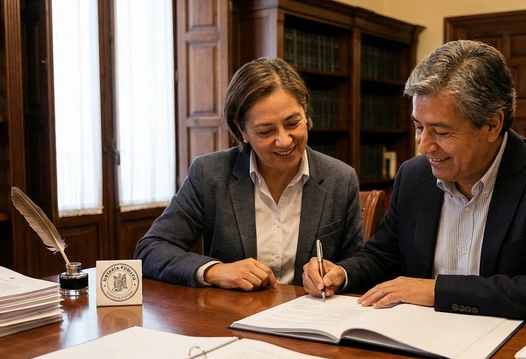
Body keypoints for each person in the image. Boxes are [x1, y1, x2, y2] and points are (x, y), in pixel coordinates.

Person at [302, 40, 526, 322]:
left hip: (511, 349)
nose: (424, 146)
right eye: (419, 127)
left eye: (441, 132)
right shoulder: (414, 175)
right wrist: (341, 273)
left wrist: (436, 290)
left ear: (492, 124)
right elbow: (383, 256)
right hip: (421, 342)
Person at [136, 57, 364, 291]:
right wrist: (215, 271)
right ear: (241, 129)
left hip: (310, 319)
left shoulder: (340, 178)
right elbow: (150, 249)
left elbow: (359, 266)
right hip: (230, 318)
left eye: (293, 123)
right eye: (266, 131)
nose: (284, 140)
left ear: (305, 113)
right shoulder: (211, 174)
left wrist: (338, 274)